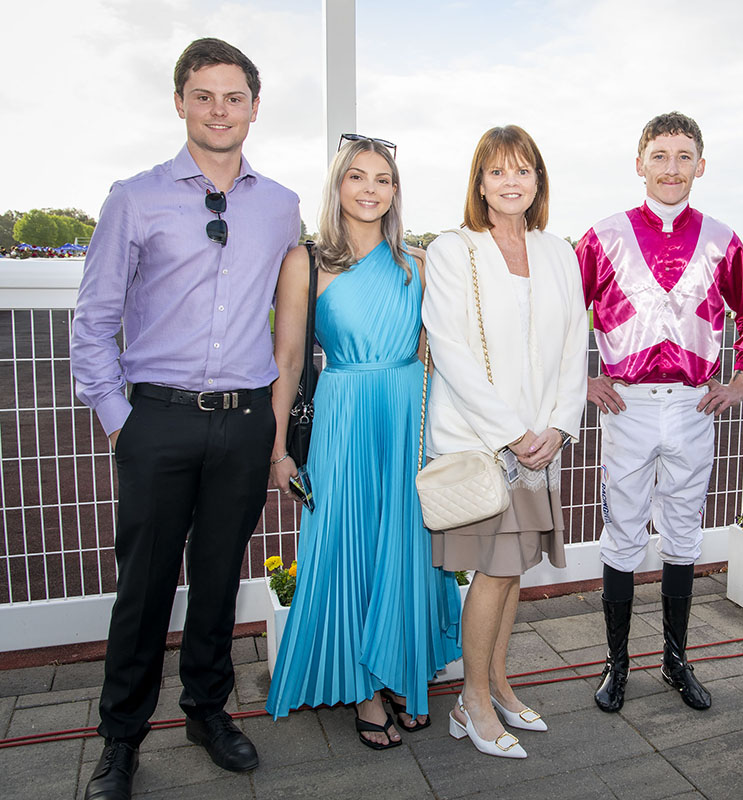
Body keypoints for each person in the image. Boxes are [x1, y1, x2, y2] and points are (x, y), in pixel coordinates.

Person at [70, 38, 301, 800]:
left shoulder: (281, 206)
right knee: (142, 588)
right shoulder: (133, 198)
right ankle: (121, 739)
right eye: (203, 95)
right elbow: (94, 319)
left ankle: (207, 710)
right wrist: (116, 418)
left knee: (215, 580)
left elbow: (302, 303)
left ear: (255, 107)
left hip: (241, 424)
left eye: (234, 97)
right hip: (156, 422)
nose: (219, 110)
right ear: (179, 102)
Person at [264, 136, 463, 748]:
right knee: (348, 543)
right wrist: (278, 451)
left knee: (404, 542)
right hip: (345, 417)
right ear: (338, 187)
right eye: (357, 176)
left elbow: (443, 356)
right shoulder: (306, 261)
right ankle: (364, 688)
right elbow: (290, 359)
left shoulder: (419, 264)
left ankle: (403, 668)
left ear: (396, 191)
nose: (371, 188)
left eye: (383, 178)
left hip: (408, 418)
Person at [577, 112, 743, 714]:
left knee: (683, 534)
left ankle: (676, 661)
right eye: (660, 156)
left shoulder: (723, 238)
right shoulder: (603, 236)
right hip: (628, 406)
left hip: (691, 405)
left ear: (701, 165)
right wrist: (582, 378)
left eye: (684, 156)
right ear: (640, 164)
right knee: (623, 533)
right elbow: (558, 317)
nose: (671, 168)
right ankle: (617, 665)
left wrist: (741, 379)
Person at [423, 125, 587, 759]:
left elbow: (575, 341)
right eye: (497, 172)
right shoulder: (451, 250)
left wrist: (558, 425)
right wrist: (514, 432)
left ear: (538, 180)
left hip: (540, 444)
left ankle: (499, 684)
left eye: (523, 170)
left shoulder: (557, 252)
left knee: (513, 573)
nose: (511, 181)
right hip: (485, 444)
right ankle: (472, 703)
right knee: (492, 574)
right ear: (480, 183)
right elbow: (452, 351)